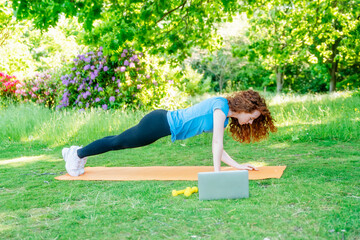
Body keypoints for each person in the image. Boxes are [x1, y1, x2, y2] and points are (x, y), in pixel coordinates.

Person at [62, 89, 277, 176]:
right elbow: (216, 145)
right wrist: (217, 174)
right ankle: (78, 154)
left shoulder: (222, 119)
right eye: (252, 117)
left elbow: (218, 147)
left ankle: (77, 152)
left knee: (119, 141)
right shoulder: (220, 107)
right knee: (119, 142)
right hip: (159, 123)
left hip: (160, 124)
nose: (250, 123)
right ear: (245, 108)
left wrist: (237, 166)